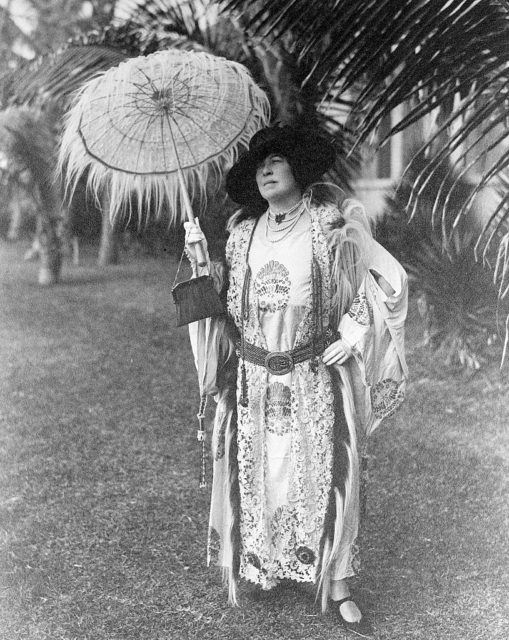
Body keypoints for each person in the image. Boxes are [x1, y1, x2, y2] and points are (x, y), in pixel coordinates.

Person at [184, 124, 408, 635]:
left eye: (276, 160)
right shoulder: (241, 234)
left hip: (314, 375)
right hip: (254, 379)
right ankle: (266, 565)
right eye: (258, 164)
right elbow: (224, 313)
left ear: (298, 168)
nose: (265, 170)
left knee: (327, 476)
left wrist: (353, 333)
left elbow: (382, 278)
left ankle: (336, 583)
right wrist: (201, 261)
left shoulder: (330, 224)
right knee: (265, 472)